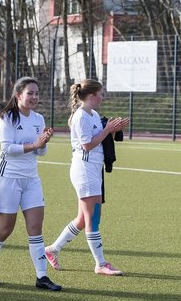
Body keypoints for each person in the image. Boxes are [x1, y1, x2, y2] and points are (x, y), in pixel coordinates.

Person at [0, 76, 61, 291]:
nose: (34, 97)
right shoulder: (6, 117)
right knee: (5, 229)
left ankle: (42, 277)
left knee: (35, 228)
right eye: (30, 93)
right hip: (8, 179)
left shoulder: (39, 119)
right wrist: (34, 143)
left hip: (31, 180)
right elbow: (7, 149)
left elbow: (41, 152)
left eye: (37, 93)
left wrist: (43, 143)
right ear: (18, 95)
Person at [44, 79, 129, 276]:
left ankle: (52, 249)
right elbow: (87, 145)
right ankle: (100, 263)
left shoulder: (94, 114)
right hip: (84, 169)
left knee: (83, 218)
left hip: (93, 170)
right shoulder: (80, 116)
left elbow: (99, 138)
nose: (102, 97)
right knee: (93, 218)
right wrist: (107, 129)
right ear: (91, 96)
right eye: (100, 93)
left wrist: (113, 129)